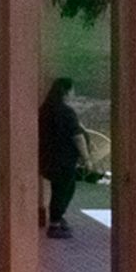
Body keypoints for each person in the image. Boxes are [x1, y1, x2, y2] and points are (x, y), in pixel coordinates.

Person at [39, 79, 86, 239]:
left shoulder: (44, 110)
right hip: (65, 158)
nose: (74, 93)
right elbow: (77, 137)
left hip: (48, 156)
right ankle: (55, 223)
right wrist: (86, 157)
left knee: (58, 188)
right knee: (64, 190)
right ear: (66, 91)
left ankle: (58, 217)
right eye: (72, 90)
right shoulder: (67, 112)